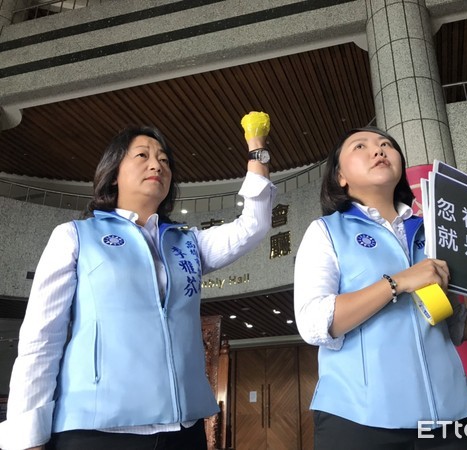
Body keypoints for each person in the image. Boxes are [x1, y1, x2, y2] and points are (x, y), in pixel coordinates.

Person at [0, 111, 275, 450]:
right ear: (113, 173)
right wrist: (27, 439)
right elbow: (42, 337)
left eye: (164, 160)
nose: (157, 165)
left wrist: (257, 149)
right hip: (96, 430)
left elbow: (253, 226)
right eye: (142, 156)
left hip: (183, 431)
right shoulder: (75, 237)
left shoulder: (187, 243)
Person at [293, 126, 467, 450]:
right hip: (360, 419)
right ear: (340, 176)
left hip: (453, 419)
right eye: (360, 146)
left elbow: (454, 327)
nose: (378, 150)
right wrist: (399, 282)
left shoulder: (434, 235)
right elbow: (313, 324)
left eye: (386, 145)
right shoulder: (326, 231)